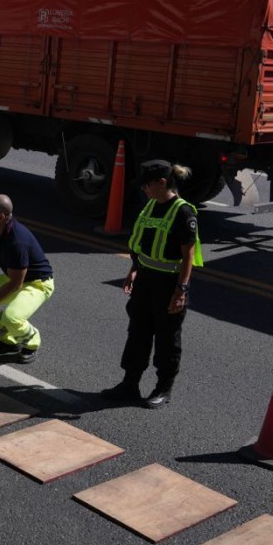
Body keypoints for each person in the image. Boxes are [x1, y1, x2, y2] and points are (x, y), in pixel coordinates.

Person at [101, 159, 203, 409]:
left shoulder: (183, 212)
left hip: (169, 284)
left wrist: (181, 291)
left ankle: (163, 387)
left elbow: (188, 256)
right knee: (137, 332)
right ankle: (130, 383)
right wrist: (134, 269)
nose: (144, 189)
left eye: (147, 185)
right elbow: (143, 245)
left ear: (162, 182)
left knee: (167, 337)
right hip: (145, 279)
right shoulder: (149, 207)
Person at [0, 194, 55, 363]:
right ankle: (10, 342)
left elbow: (15, 284)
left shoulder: (17, 243)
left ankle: (32, 342)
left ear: (0, 217)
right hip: (15, 278)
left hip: (38, 284)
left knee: (11, 316)